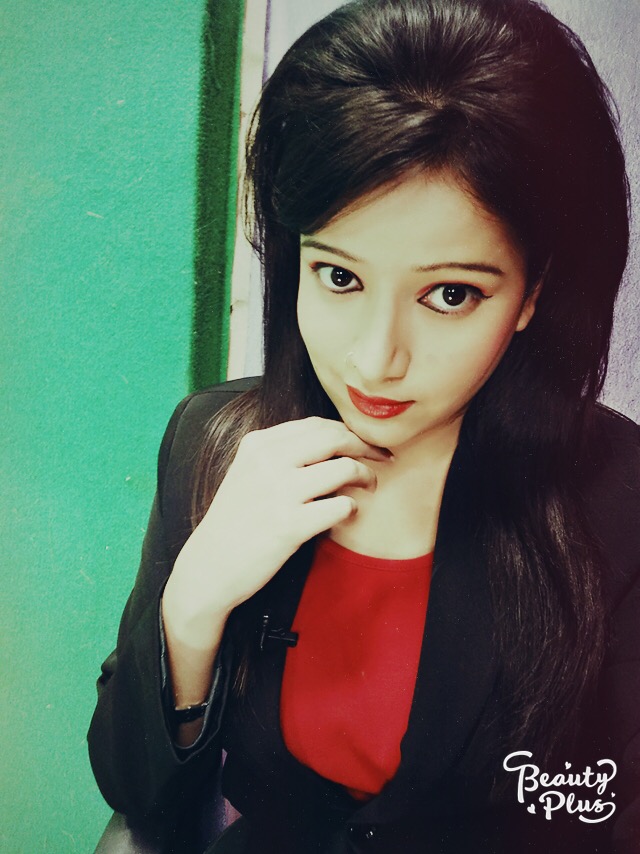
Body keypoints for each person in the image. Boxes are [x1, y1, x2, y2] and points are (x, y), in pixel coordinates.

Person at [88, 0, 640, 852]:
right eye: (339, 277)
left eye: (450, 293)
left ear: (534, 291)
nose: (377, 360)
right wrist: (193, 606)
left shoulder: (617, 494)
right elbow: (136, 791)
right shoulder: (215, 442)